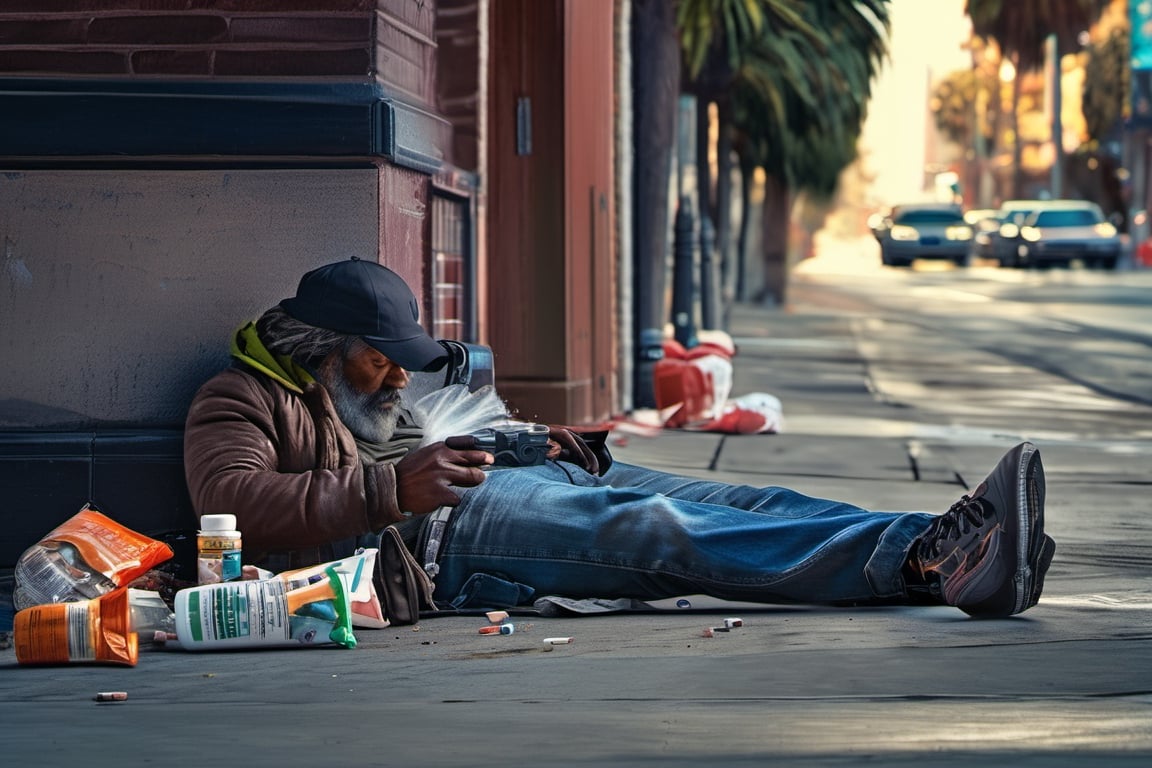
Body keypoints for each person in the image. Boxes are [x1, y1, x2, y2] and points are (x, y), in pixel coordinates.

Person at [184, 257, 1056, 620]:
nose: (401, 377)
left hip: (488, 493)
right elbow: (229, 502)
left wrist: (539, 445)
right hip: (432, 544)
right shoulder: (238, 399)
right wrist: (388, 494)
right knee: (655, 535)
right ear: (324, 352)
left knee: (729, 498)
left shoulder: (370, 393)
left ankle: (945, 537)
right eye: (383, 361)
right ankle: (925, 570)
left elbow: (443, 441)